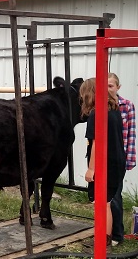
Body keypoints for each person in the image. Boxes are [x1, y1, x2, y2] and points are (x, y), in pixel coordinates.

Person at [80, 78, 126, 246]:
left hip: (105, 164)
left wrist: (91, 169)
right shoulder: (114, 110)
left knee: (101, 204)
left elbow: (96, 144)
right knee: (105, 203)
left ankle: (102, 240)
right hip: (117, 162)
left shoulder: (96, 113)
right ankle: (105, 238)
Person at [108, 72, 136, 246]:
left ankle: (117, 235)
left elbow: (131, 134)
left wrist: (129, 159)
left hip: (118, 159)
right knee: (102, 198)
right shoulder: (98, 105)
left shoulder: (126, 105)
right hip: (103, 158)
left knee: (115, 196)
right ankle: (106, 231)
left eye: (110, 85)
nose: (107, 89)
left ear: (118, 87)